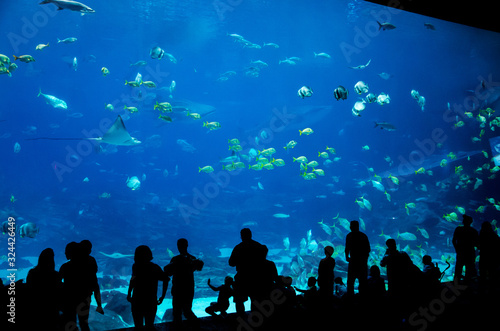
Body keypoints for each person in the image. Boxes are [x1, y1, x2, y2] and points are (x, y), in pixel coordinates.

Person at [164, 238, 204, 329]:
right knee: (187, 311)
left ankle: (181, 328)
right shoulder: (192, 259)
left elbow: (167, 270)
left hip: (178, 289)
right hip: (189, 289)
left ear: (178, 246)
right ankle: (196, 326)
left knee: (177, 312)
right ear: (187, 245)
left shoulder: (176, 259)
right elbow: (199, 267)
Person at [127, 245, 167, 329]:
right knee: (149, 325)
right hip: (150, 300)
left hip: (137, 300)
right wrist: (162, 296)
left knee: (138, 326)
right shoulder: (154, 267)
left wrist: (129, 293)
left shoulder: (136, 266)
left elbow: (132, 280)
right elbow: (166, 279)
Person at [228, 228, 266, 316]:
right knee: (255, 300)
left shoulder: (238, 247)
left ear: (241, 236)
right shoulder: (257, 246)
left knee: (239, 300)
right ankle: (255, 319)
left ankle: (241, 319)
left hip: (242, 277)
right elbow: (263, 261)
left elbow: (231, 263)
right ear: (251, 235)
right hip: (256, 277)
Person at [26, 248, 63, 329]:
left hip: (35, 308)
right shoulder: (56, 275)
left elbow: (29, 289)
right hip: (52, 309)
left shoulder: (32, 272)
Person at [345, 220, 371, 296]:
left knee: (350, 282)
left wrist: (347, 257)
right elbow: (368, 249)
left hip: (353, 262)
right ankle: (362, 298)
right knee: (363, 282)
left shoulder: (349, 236)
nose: (350, 227)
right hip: (362, 263)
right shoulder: (363, 236)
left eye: (351, 226)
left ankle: (351, 298)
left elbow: (347, 248)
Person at [452, 214, 479, 283]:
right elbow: (477, 243)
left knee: (458, 270)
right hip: (470, 253)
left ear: (463, 222)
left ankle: (455, 286)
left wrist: (457, 249)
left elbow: (453, 241)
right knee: (469, 271)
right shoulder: (474, 231)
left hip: (461, 252)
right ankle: (467, 287)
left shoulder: (458, 229)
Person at [80, 240, 104, 315]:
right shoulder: (91, 259)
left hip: (83, 287)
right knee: (96, 289)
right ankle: (99, 306)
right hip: (90, 284)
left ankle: (99, 306)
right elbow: (95, 270)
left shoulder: (78, 260)